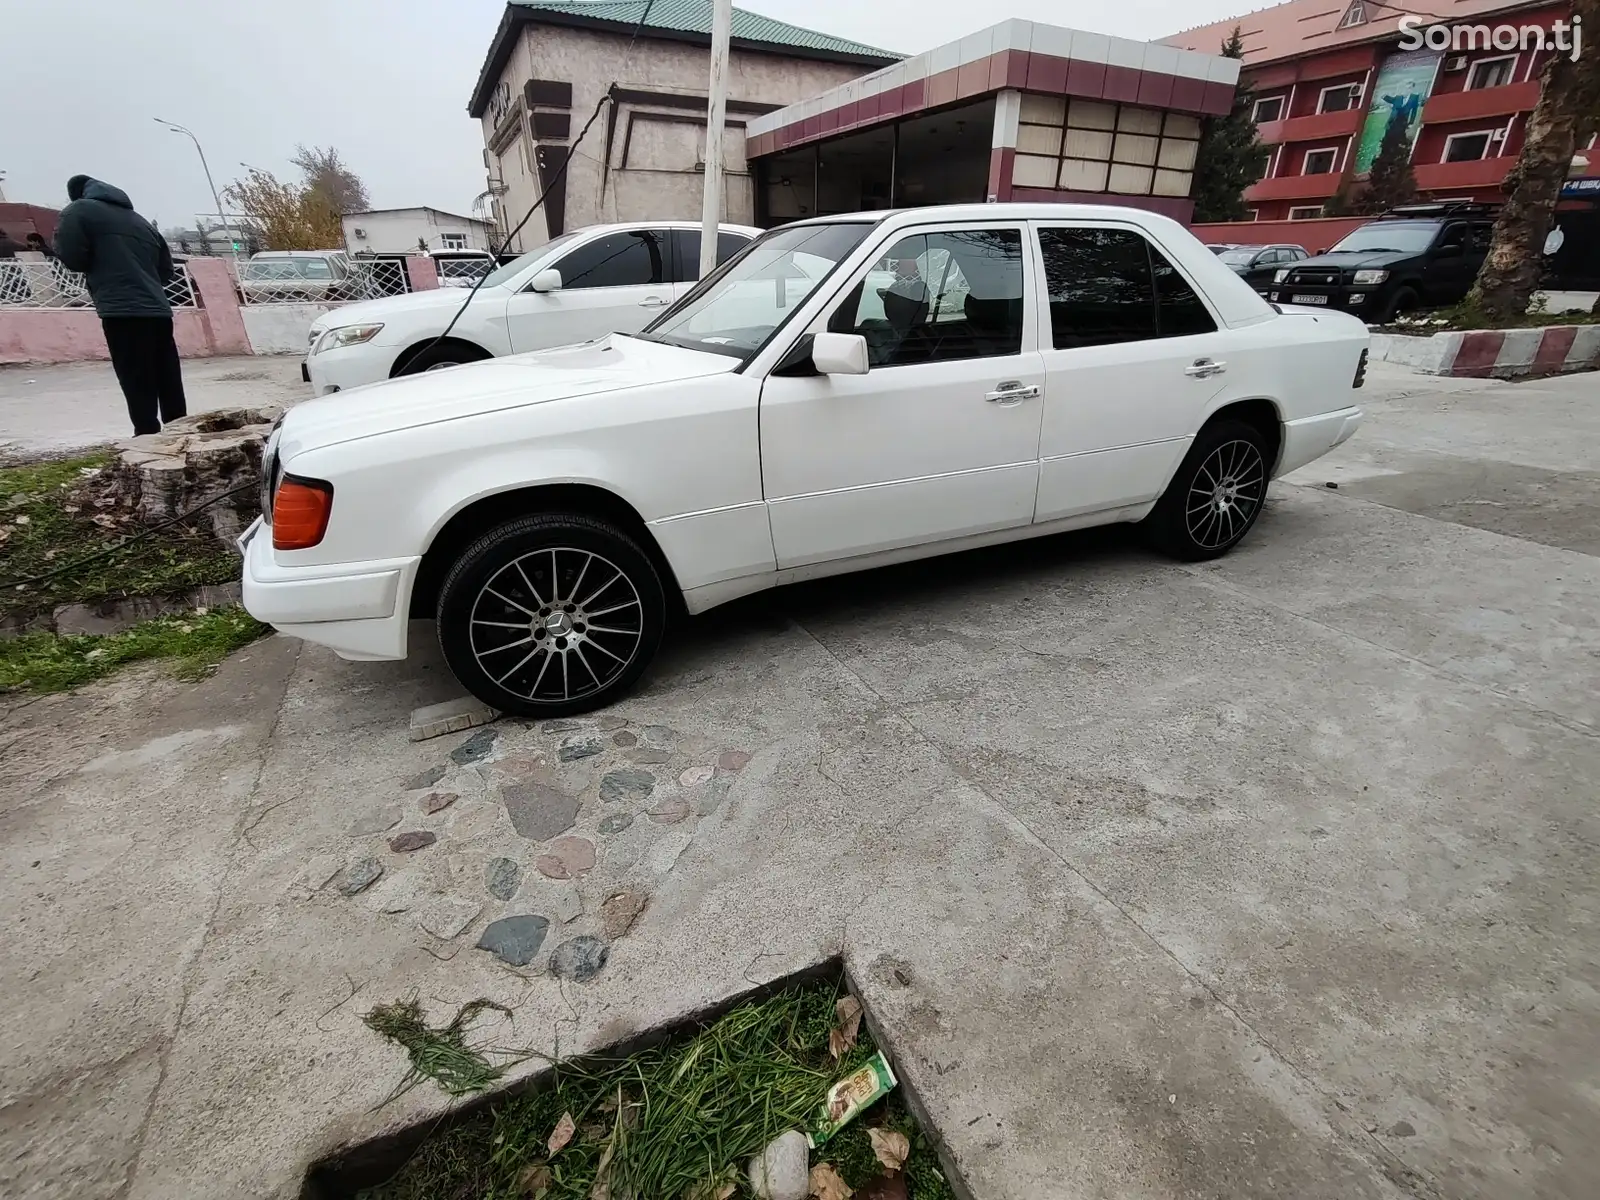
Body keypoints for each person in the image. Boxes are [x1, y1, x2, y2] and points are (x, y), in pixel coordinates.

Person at [53, 175, 187, 436]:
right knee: (167, 374)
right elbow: (165, 271)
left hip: (122, 308)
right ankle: (181, 429)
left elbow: (73, 257)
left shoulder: (78, 211)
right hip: (158, 309)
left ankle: (147, 434)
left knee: (135, 374)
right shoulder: (141, 221)